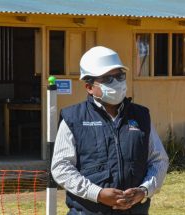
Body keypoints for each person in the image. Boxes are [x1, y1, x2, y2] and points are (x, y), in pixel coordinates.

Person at [51, 46, 169, 215]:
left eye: (120, 76)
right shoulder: (74, 118)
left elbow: (159, 160)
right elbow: (61, 168)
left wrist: (144, 191)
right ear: (89, 87)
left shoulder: (141, 116)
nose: (117, 82)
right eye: (107, 78)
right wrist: (97, 194)